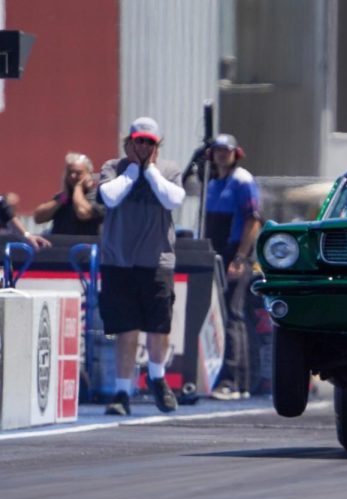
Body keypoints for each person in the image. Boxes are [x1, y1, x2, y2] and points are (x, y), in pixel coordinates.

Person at [97, 117, 185, 416]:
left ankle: (157, 378)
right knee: (126, 329)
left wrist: (149, 170)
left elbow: (172, 200)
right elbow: (109, 197)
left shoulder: (170, 171)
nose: (143, 146)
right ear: (129, 143)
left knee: (158, 327)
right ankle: (123, 391)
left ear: (157, 146)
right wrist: (134, 169)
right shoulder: (113, 168)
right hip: (118, 260)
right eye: (139, 140)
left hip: (156, 260)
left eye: (149, 142)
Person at [203, 134, 262, 400]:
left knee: (233, 316)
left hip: (233, 254)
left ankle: (234, 379)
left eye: (226, 151)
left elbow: (253, 221)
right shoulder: (213, 182)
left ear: (235, 153)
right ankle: (234, 379)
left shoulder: (242, 180)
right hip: (216, 254)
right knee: (226, 315)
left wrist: (240, 258)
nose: (221, 155)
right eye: (217, 150)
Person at [33, 152, 105, 235]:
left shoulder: (97, 197)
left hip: (85, 246)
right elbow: (38, 218)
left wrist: (78, 187)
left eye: (78, 173)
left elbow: (82, 212)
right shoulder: (63, 198)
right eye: (69, 172)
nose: (72, 176)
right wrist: (63, 198)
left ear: (89, 175)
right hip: (60, 245)